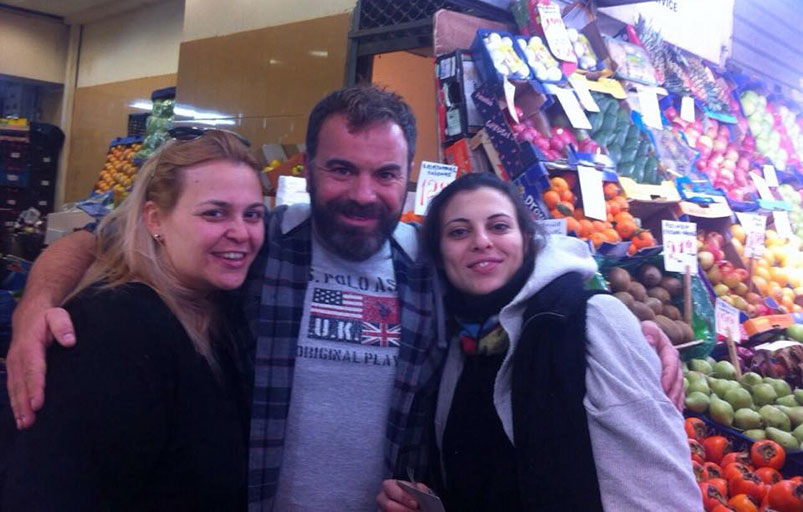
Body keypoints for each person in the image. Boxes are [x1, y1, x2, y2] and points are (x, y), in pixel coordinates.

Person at [5, 86, 683, 510]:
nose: (363, 193)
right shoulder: (259, 244)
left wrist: (613, 324)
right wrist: (35, 306)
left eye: (384, 174)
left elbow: (527, 275)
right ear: (307, 169)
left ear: (409, 178)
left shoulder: (429, 268)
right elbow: (97, 239)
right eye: (341, 170)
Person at [378, 173, 699, 511]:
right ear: (440, 254)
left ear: (527, 239)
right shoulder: (460, 343)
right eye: (459, 232)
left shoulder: (587, 322)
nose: (481, 241)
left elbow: (663, 493)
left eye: (499, 226)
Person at [3, 129, 265, 509]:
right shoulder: (113, 331)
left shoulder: (217, 310)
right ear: (155, 220)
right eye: (214, 213)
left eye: (253, 214)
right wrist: (35, 303)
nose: (241, 232)